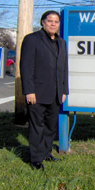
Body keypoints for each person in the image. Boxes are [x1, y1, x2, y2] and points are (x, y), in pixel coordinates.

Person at [20, 10, 69, 171]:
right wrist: (29, 91)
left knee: (50, 126)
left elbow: (64, 68)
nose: (53, 24)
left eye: (56, 22)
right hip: (37, 93)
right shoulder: (31, 40)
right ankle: (35, 159)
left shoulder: (61, 43)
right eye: (50, 21)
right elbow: (26, 67)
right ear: (43, 22)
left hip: (56, 93)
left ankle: (47, 153)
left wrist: (64, 90)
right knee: (36, 127)